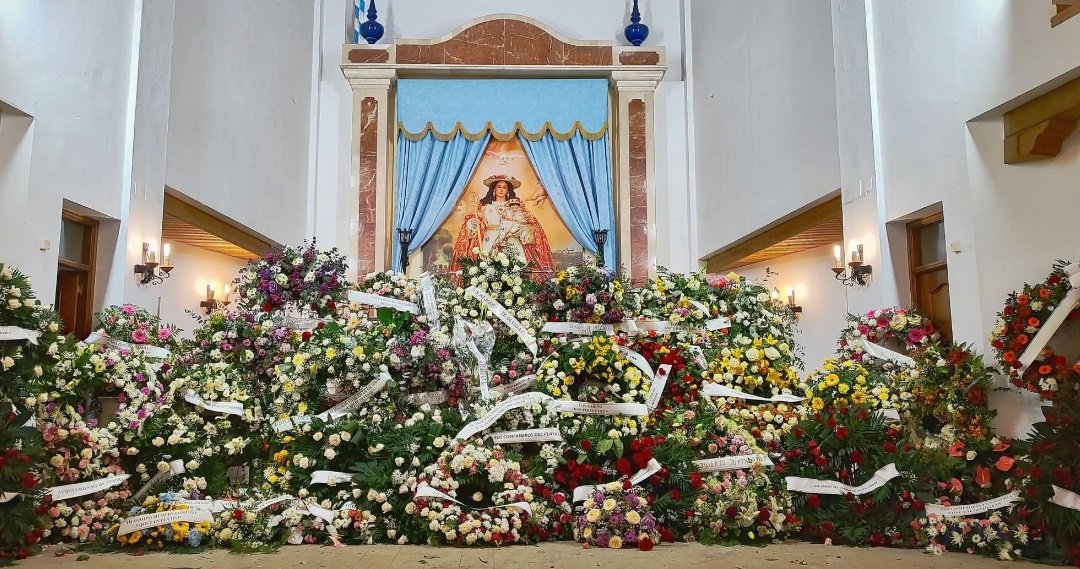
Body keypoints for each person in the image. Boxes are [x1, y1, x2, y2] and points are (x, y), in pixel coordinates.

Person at [450, 174, 556, 273]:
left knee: (517, 267)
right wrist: (473, 223)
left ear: (508, 190)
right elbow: (476, 222)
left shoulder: (516, 205)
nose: (501, 189)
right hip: (489, 241)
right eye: (499, 187)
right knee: (487, 268)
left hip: (511, 240)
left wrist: (520, 229)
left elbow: (530, 224)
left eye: (504, 187)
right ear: (494, 189)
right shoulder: (484, 205)